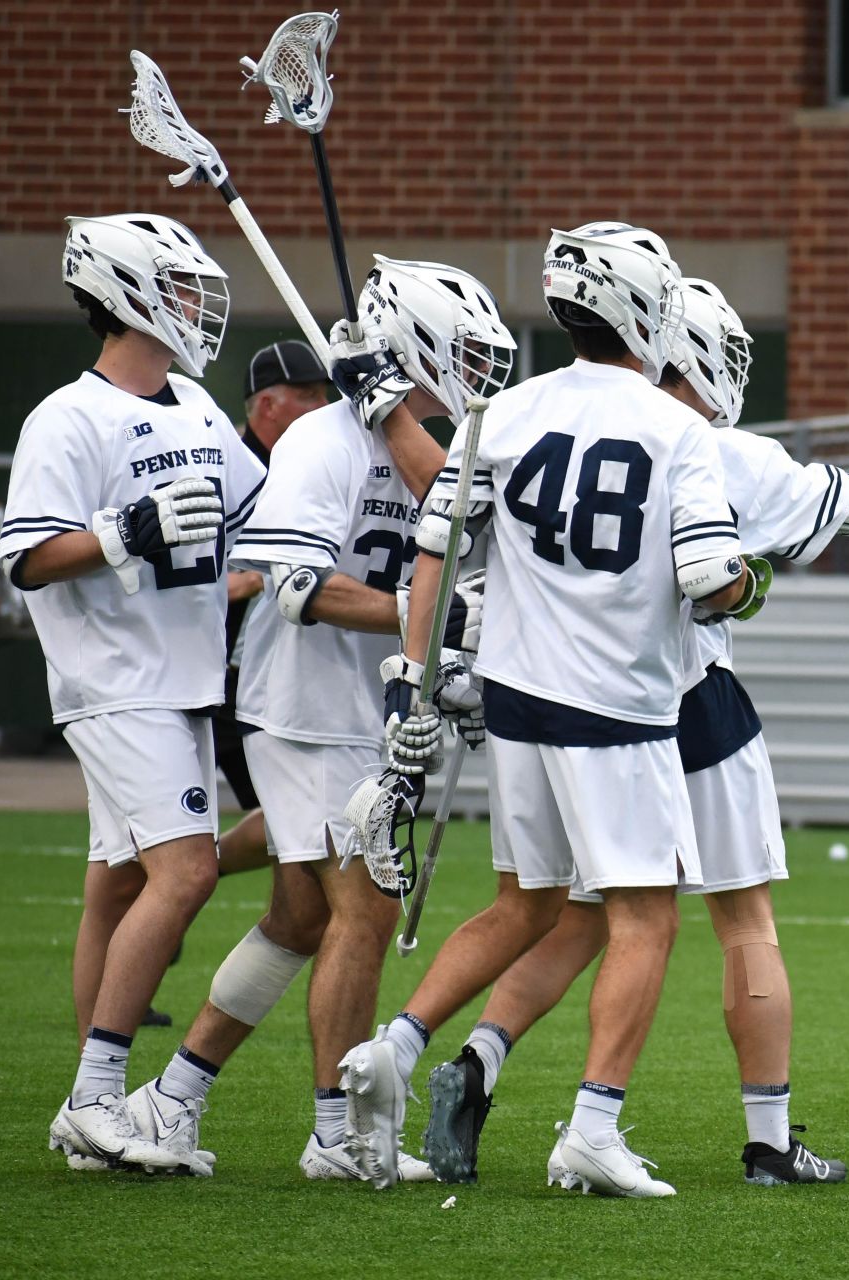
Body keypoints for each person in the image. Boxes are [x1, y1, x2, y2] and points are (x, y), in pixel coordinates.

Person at [421, 278, 849, 1189]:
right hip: (685, 700)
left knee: (583, 916)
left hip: (564, 702)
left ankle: (477, 1056)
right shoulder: (712, 450)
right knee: (743, 918)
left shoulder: (550, 422)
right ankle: (765, 1140)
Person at [338, 221, 759, 1198]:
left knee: (524, 901)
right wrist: (750, 580)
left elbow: (435, 546)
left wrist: (411, 666)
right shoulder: (677, 429)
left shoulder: (507, 410)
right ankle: (594, 1124)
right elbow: (706, 576)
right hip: (619, 704)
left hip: (518, 700)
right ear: (645, 309)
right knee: (646, 918)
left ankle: (399, 1045)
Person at [121, 257, 514, 1181]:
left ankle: (171, 1098)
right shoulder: (320, 444)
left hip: (366, 711)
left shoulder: (425, 440)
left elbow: (475, 535)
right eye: (454, 346)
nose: (471, 366)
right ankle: (334, 1133)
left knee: (300, 918)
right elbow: (297, 587)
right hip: (300, 708)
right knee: (367, 912)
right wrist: (431, 620)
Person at [0, 212, 265, 1174]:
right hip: (116, 683)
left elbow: (260, 518)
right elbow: (27, 557)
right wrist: (123, 532)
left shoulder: (194, 403)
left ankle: (91, 1122)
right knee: (187, 874)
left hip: (181, 679)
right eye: (182, 287)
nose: (199, 305)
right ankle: (97, 1099)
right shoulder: (68, 417)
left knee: (117, 883)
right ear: (129, 296)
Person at [212, 339, 334, 877]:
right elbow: (211, 579)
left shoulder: (302, 465)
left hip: (275, 671)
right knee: (301, 825)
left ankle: (187, 876)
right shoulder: (235, 473)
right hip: (228, 677)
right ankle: (185, 876)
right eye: (308, 396)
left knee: (303, 831)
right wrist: (268, 577)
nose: (325, 408)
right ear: (267, 405)